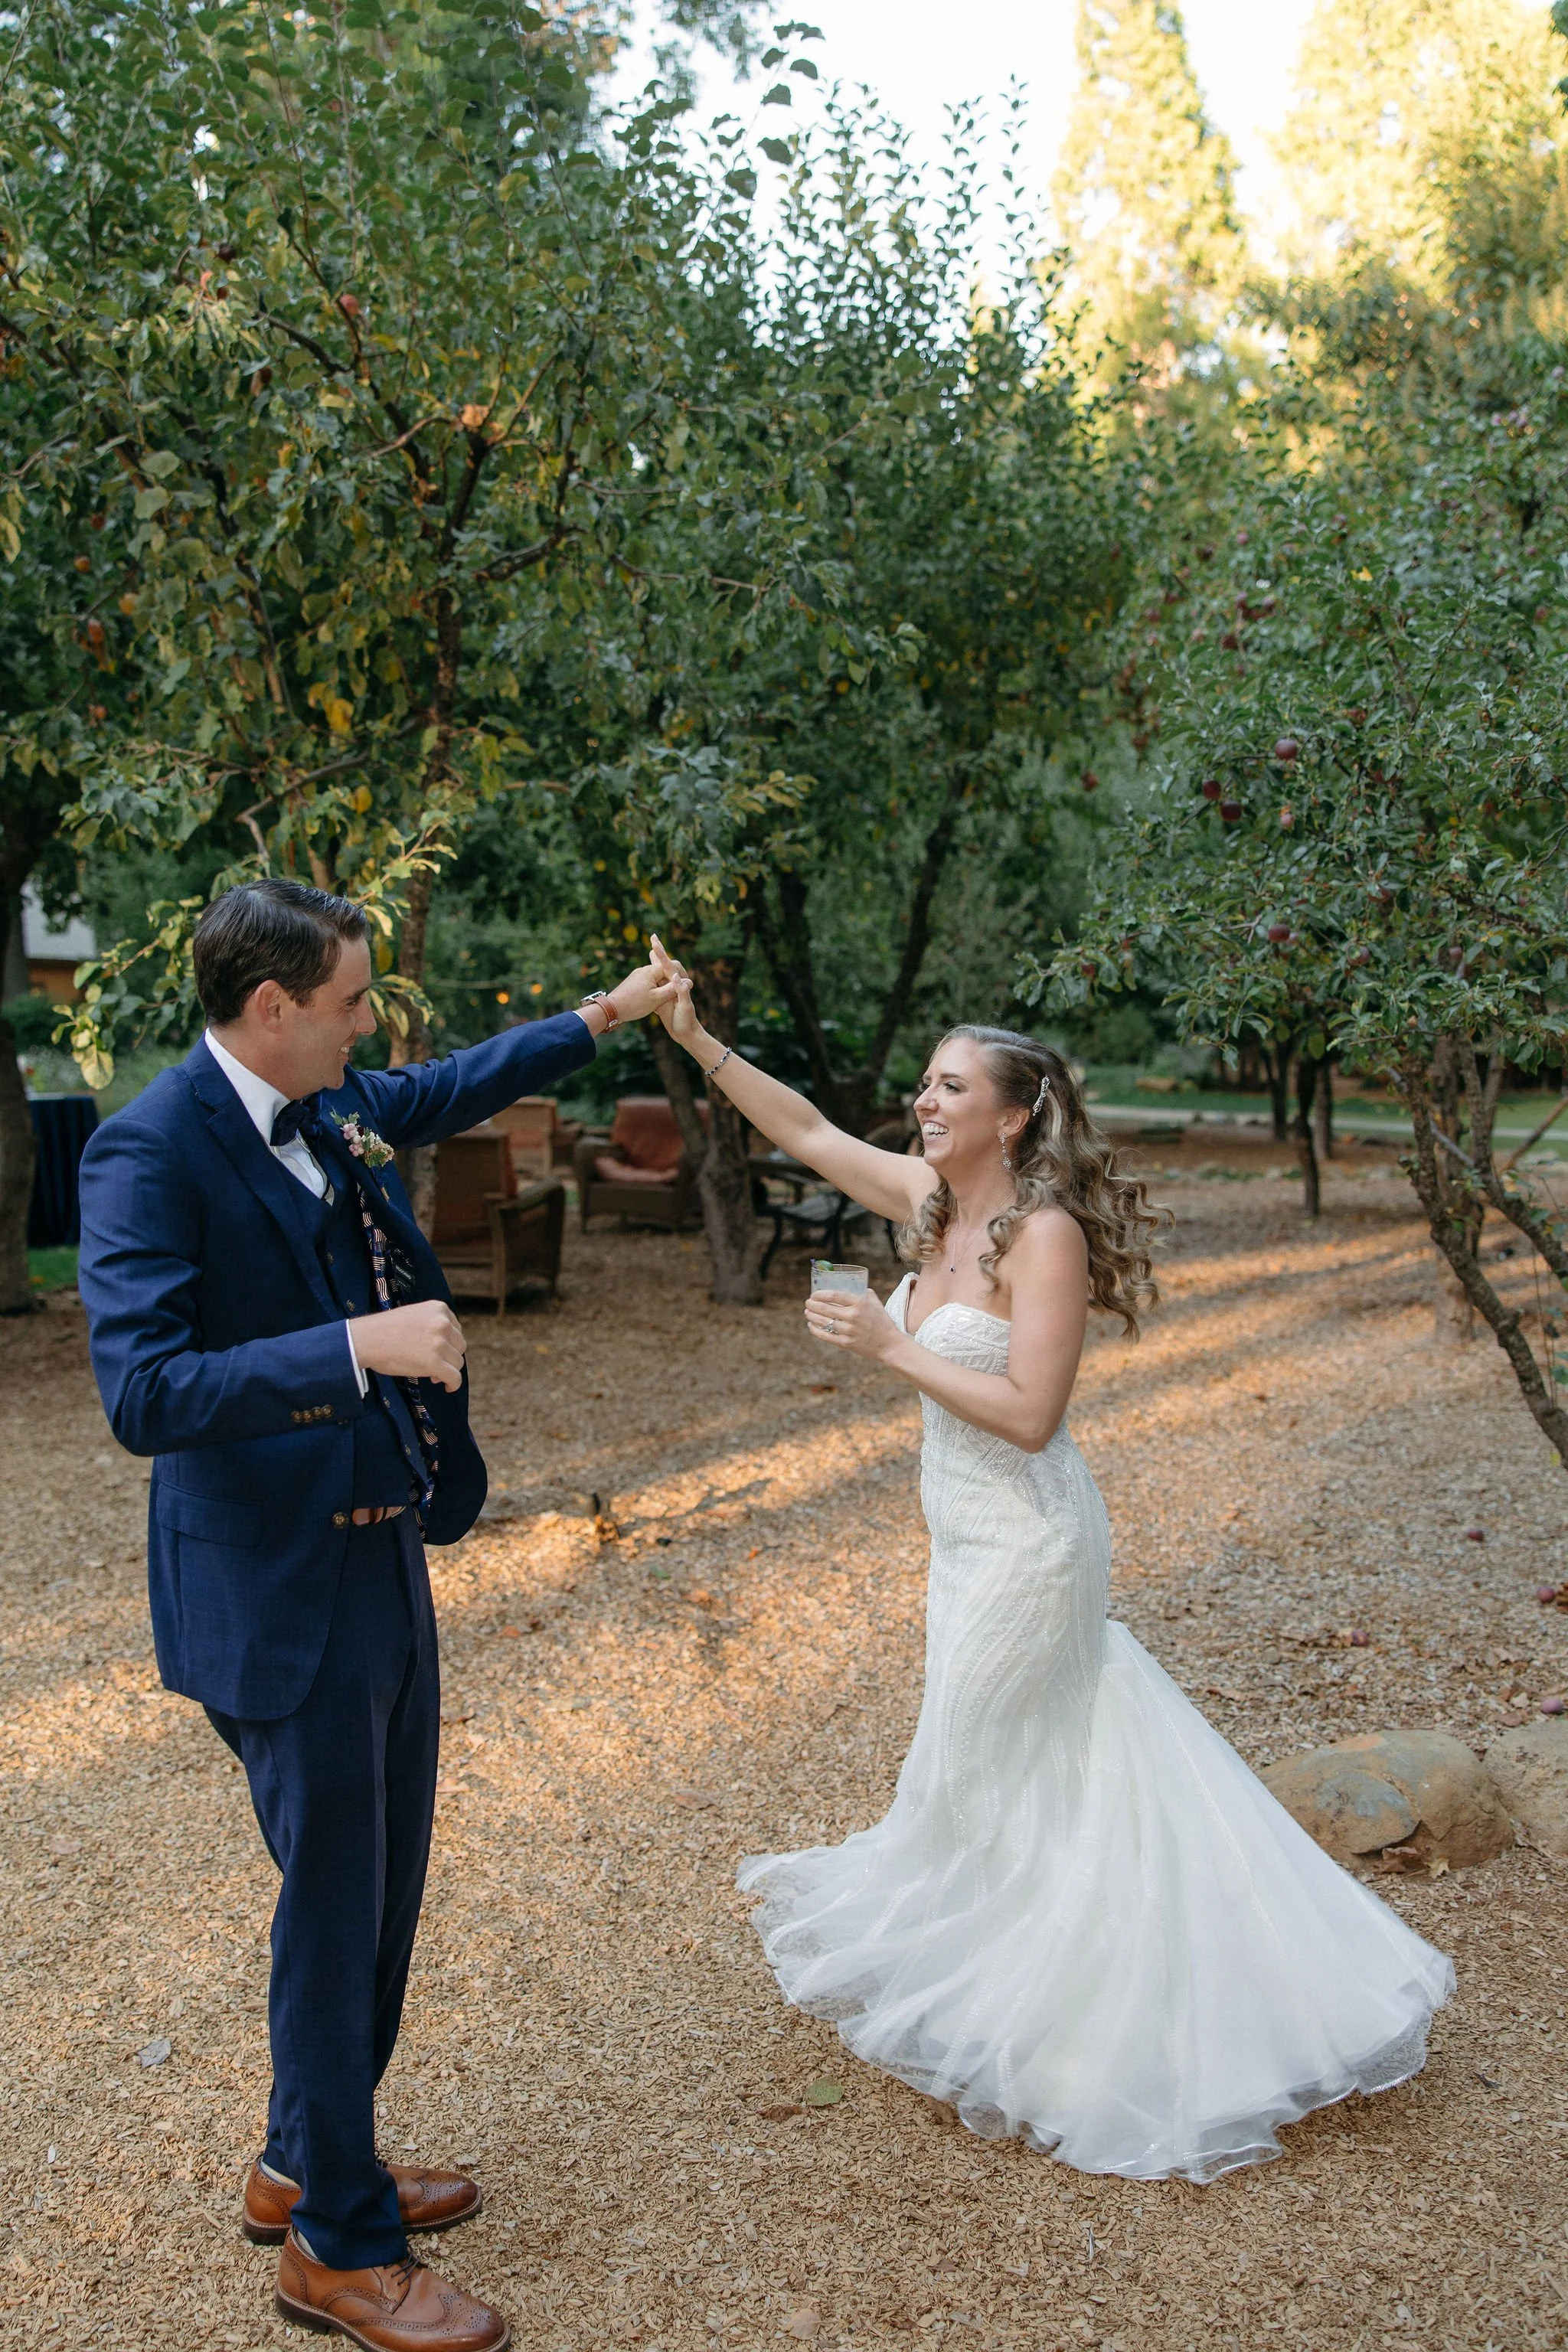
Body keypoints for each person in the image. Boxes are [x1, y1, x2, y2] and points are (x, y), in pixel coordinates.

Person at [649, 948, 1454, 2184]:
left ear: (1014, 1115)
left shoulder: (1048, 1236)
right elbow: (805, 1126)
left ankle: (1067, 2022)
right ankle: (1038, 1974)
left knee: (981, 1757)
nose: (925, 1101)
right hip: (961, 1544)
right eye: (924, 1083)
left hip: (1032, 1542)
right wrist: (696, 1037)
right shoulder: (926, 1204)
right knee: (1023, 1764)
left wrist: (884, 1342)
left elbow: (1030, 1412)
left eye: (951, 1087)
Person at [77, 880, 676, 2350]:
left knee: (382, 1891)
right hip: (271, 1591)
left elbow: (454, 1081)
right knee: (338, 1914)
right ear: (272, 1009)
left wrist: (605, 1017)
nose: (372, 1026)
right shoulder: (145, 1150)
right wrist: (353, 1341)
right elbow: (141, 1394)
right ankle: (338, 2251)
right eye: (352, 1002)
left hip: (385, 1560)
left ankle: (303, 2160)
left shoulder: (332, 1102)